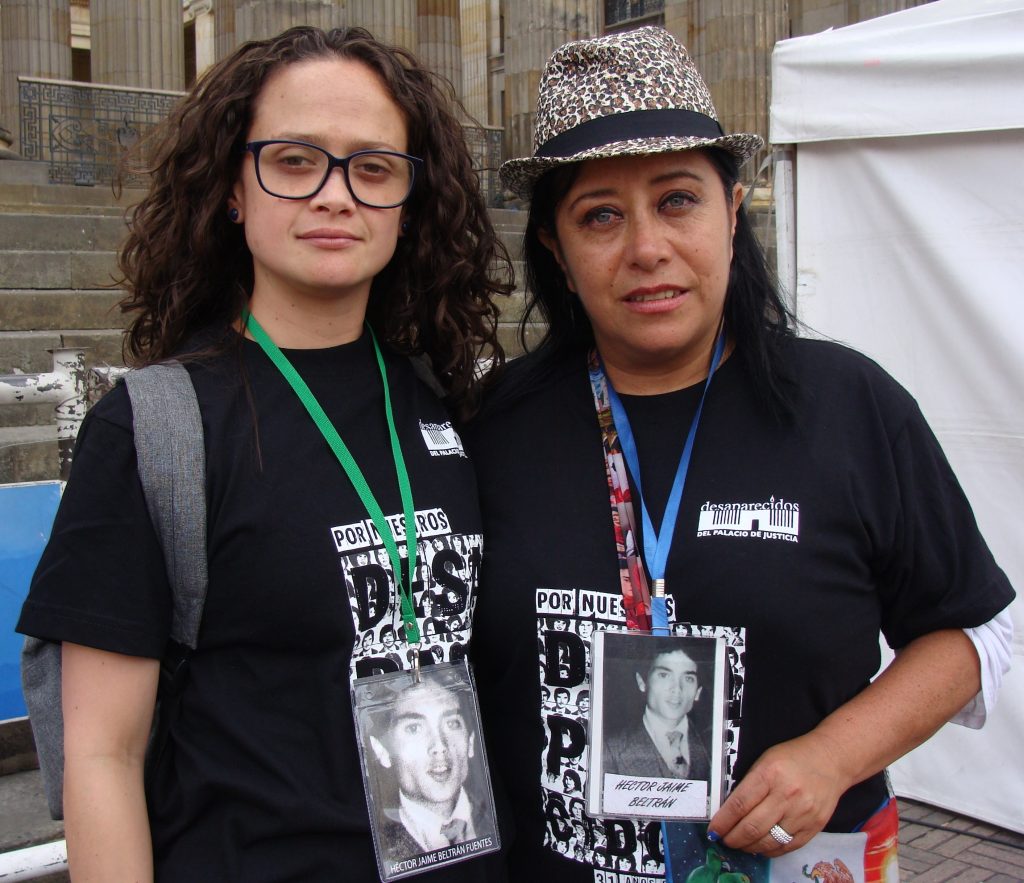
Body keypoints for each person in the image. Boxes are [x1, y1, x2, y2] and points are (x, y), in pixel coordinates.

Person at [464, 26, 1015, 881]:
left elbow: (971, 631)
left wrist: (833, 755)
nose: (646, 247)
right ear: (556, 253)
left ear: (732, 209)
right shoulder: (495, 428)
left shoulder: (848, 405)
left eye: (677, 199)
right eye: (600, 215)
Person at [17, 25, 512, 883]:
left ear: (409, 199)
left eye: (372, 167)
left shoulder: (441, 397)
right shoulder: (155, 429)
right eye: (293, 160)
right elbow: (102, 755)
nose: (334, 195)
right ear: (233, 190)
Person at [369, 679, 483, 861]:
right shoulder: (375, 848)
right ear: (382, 751)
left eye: (452, 723)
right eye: (414, 728)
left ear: (471, 741)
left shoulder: (498, 819)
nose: (439, 746)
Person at [603, 645, 710, 782]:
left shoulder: (713, 746)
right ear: (642, 682)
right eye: (664, 675)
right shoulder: (611, 748)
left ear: (698, 692)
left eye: (688, 678)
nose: (677, 689)